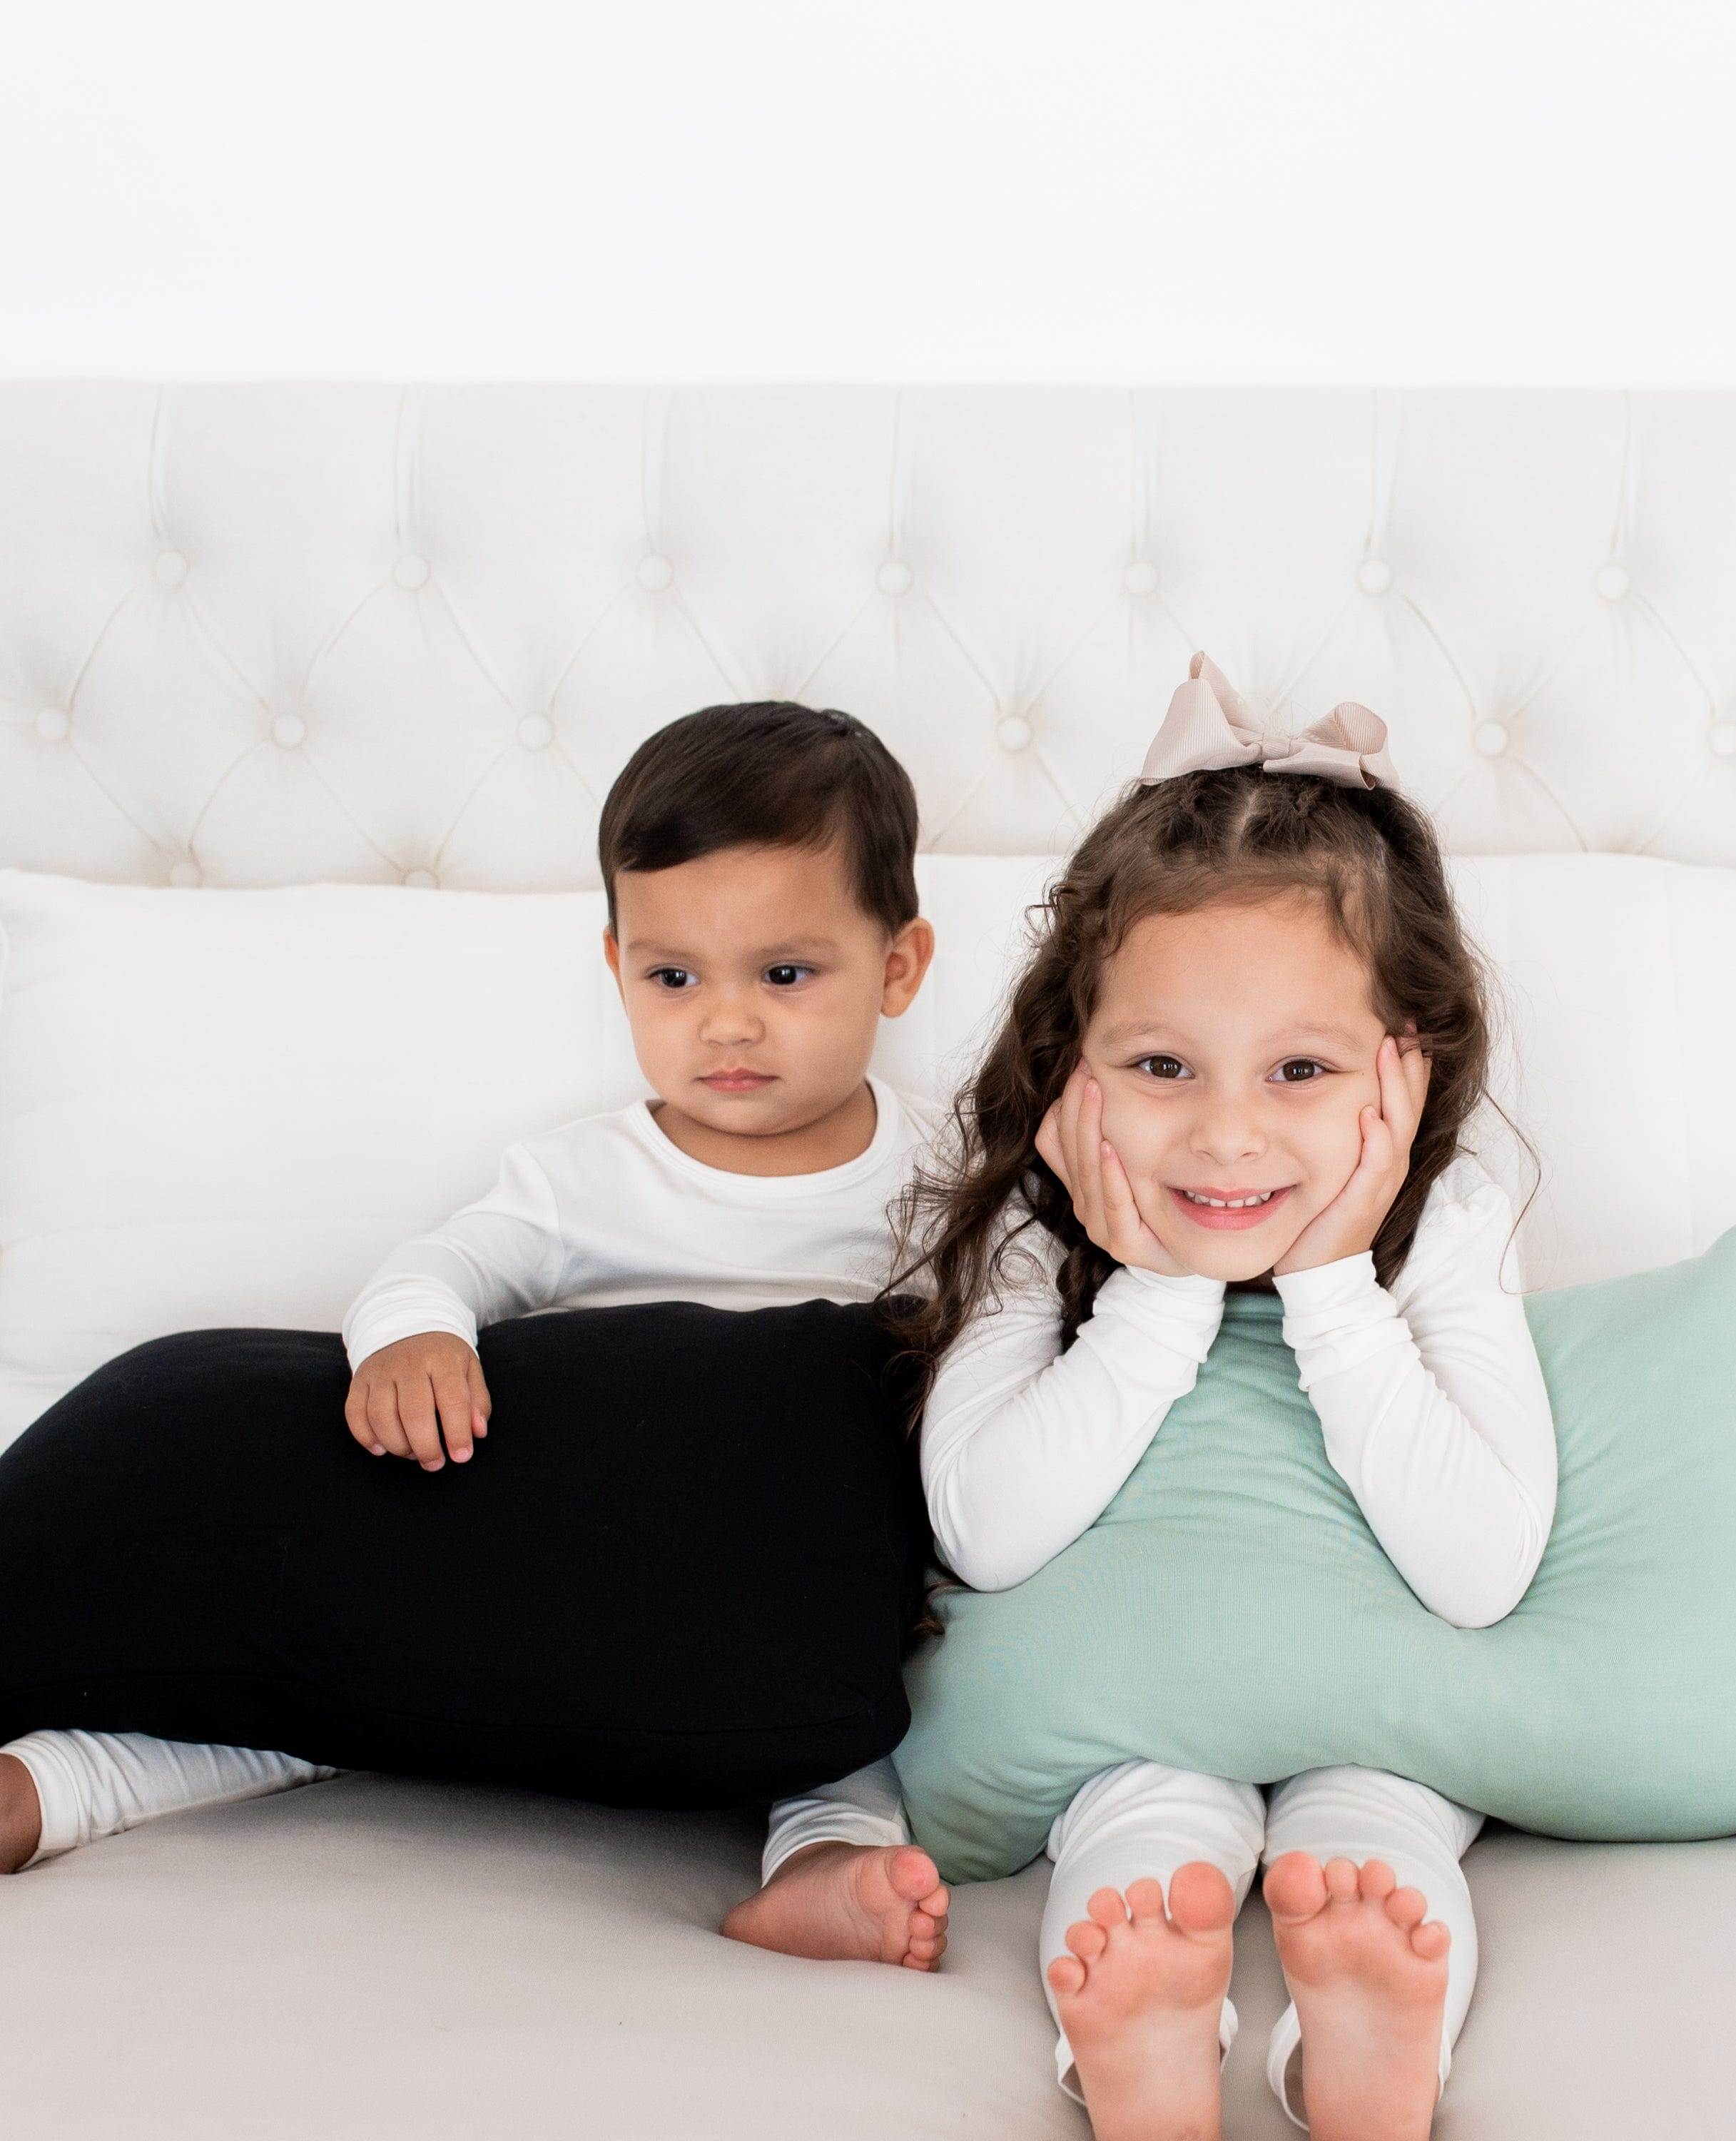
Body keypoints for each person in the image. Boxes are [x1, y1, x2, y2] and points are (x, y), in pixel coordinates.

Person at [0, 700, 952, 1976]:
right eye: (674, 978)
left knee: (849, 1726)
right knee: (345, 1684)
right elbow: (450, 1261)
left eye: (785, 975)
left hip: (768, 1600)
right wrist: (415, 1338)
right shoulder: (583, 1174)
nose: (726, 1024)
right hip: (571, 1567)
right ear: (616, 965)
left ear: (898, 966)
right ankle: (66, 1785)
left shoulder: (948, 1180)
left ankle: (825, 1857)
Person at [897, 655, 1558, 2138]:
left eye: (1303, 1070)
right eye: (1163, 1066)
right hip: (1134, 1711)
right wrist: (1155, 1283)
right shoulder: (1040, 1223)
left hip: (1384, 1705)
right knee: (1142, 1830)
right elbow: (990, 1532)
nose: (1227, 1136)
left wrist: (1333, 1284)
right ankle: (1144, 2045)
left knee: (1378, 1842)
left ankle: (1365, 2055)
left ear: (1408, 1068)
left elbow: (1482, 1566)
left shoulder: (1450, 1224)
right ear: (1075, 1065)